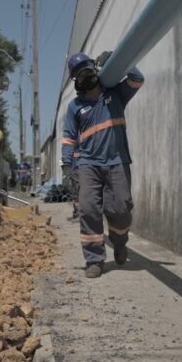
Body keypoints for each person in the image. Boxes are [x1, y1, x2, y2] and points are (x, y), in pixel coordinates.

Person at [61, 52, 144, 278]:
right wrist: (67, 165)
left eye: (87, 70)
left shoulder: (116, 94)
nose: (84, 76)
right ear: (75, 80)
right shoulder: (75, 107)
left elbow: (137, 79)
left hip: (117, 161)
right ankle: (94, 260)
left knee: (121, 208)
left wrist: (118, 60)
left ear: (95, 70)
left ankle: (119, 241)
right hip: (88, 164)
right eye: (78, 74)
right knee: (88, 209)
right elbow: (69, 137)